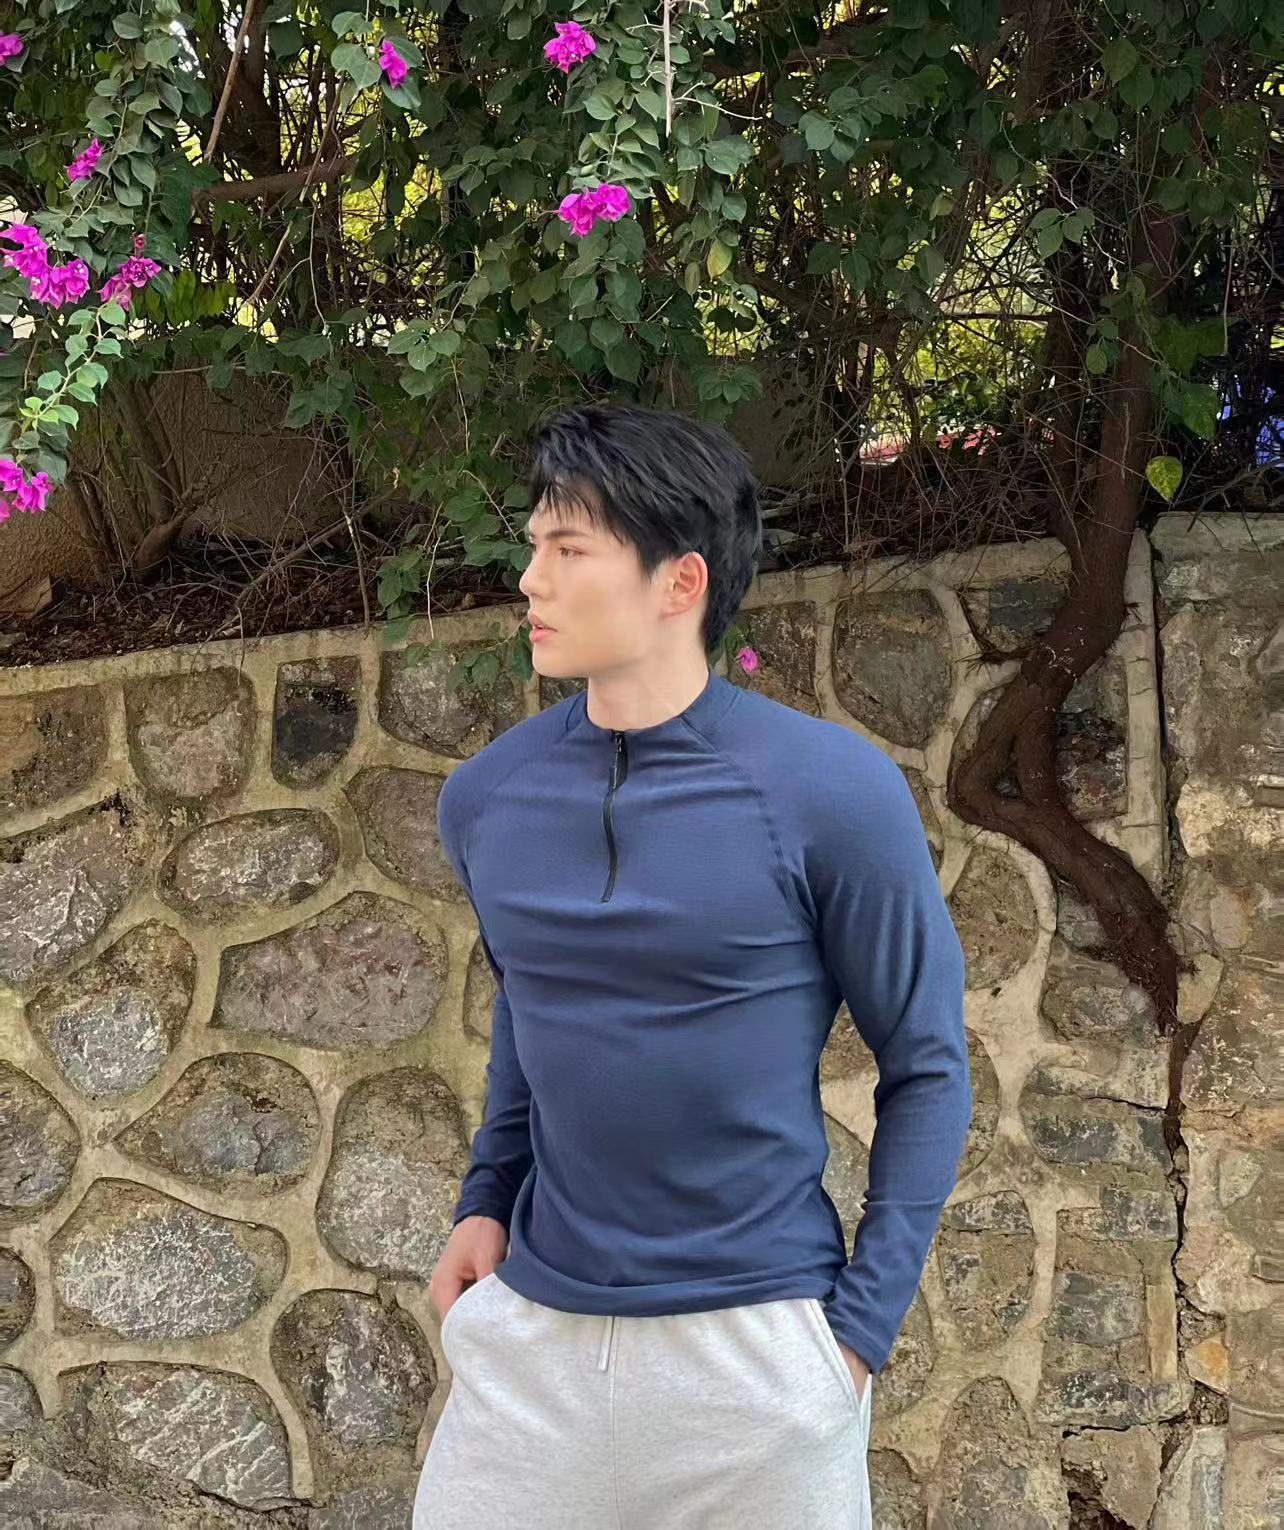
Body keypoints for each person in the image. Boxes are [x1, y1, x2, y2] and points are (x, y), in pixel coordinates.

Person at [412, 402, 972, 1529]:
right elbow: (532, 1006)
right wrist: (486, 1199)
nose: (530, 578)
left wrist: (855, 1341)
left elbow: (928, 1064)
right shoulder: (485, 801)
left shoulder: (832, 795)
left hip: (758, 1357)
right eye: (534, 545)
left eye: (570, 550)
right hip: (535, 1349)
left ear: (681, 582)